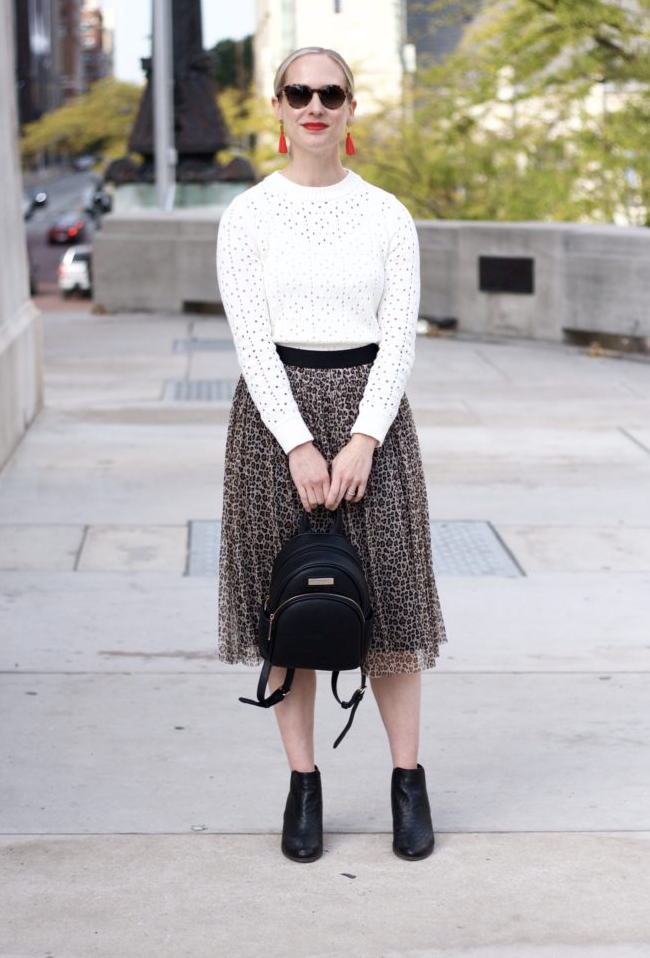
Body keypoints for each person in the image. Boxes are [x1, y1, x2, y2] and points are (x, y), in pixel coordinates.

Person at [216, 46, 447, 863]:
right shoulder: (247, 215)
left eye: (331, 93)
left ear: (351, 109)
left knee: (392, 611)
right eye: (298, 92)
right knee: (289, 616)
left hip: (372, 422)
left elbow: (399, 335)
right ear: (276, 108)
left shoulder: (387, 214)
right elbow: (251, 341)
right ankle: (303, 786)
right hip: (272, 425)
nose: (314, 104)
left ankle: (407, 784)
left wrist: (361, 439)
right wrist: (299, 446)